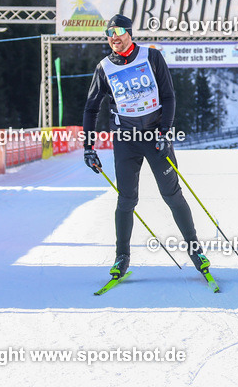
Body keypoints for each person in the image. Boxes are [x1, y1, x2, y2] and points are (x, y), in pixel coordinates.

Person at [81, 14, 211, 281]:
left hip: (155, 137)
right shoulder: (104, 67)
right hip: (125, 140)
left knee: (171, 195)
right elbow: (91, 108)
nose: (113, 37)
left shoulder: (151, 57)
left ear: (129, 32)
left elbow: (168, 96)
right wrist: (88, 147)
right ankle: (122, 257)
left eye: (117, 32)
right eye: (109, 33)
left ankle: (196, 251)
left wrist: (165, 131)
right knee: (126, 199)